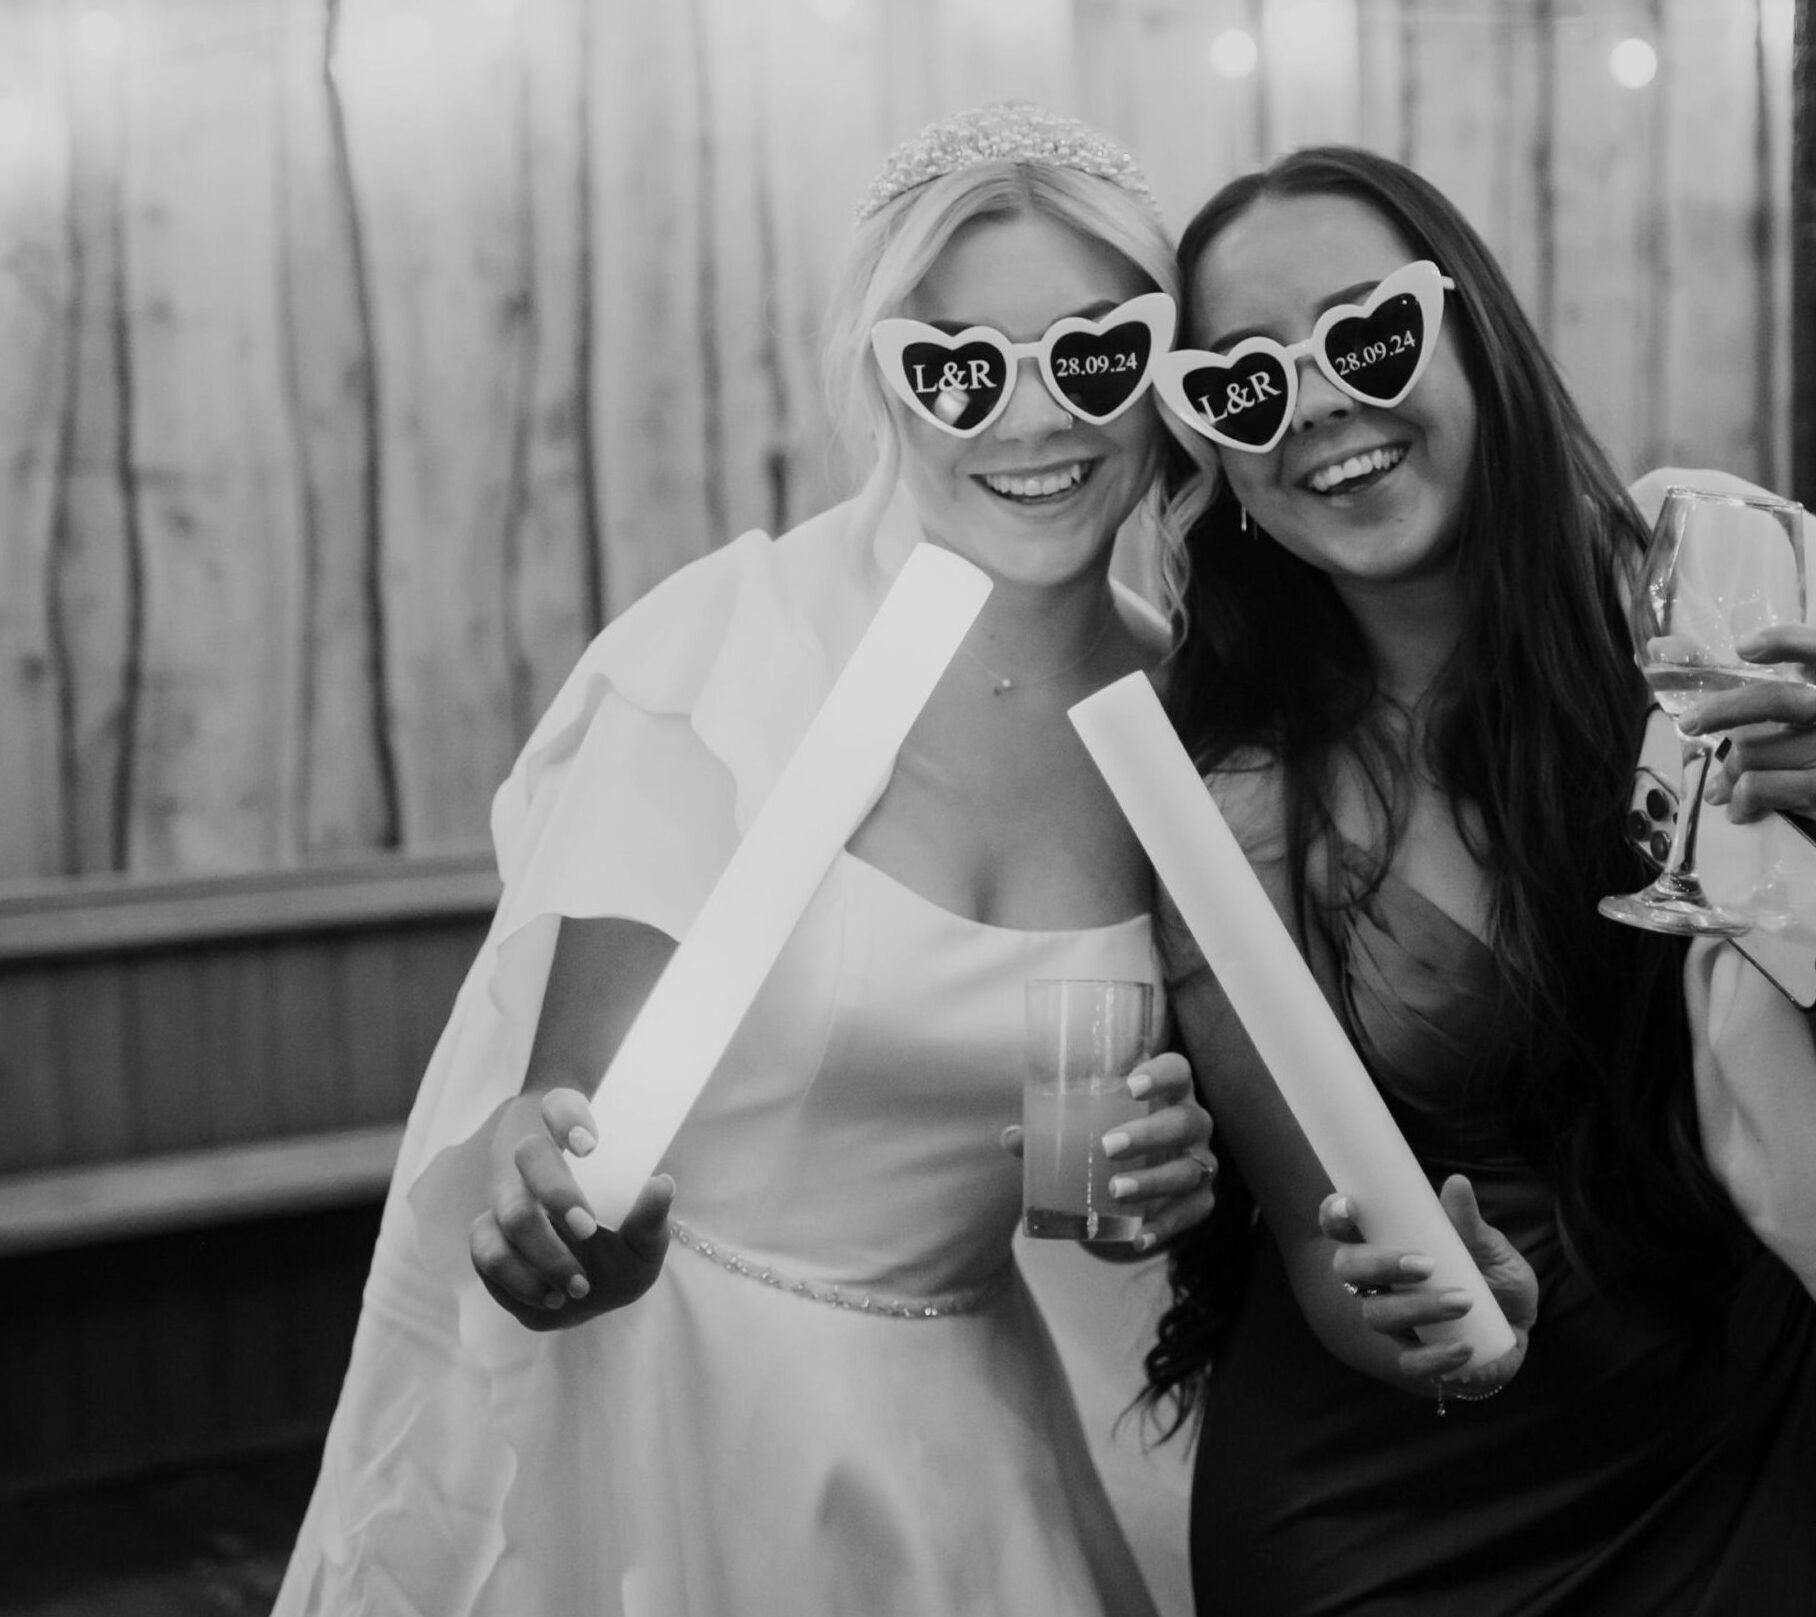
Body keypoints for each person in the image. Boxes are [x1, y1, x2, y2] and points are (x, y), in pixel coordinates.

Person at [274, 104, 1218, 1617]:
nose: (1032, 421)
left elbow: (1085, 1186)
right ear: (887, 386)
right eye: (959, 370)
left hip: (964, 1430)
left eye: (1094, 355)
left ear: (1164, 376)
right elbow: (568, 1137)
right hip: (666, 1408)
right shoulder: (732, 653)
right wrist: (555, 1223)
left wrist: (1143, 1194)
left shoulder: (1188, 725)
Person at [1143, 146, 1816, 1615]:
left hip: (1727, 1463)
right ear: (1220, 454)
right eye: (1245, 385)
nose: (1318, 402)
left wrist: (1810, 863)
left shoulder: (1718, 592)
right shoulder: (1229, 790)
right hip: (1377, 1519)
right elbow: (1322, 1240)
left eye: (1366, 334)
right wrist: (1439, 1311)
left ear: (1478, 338)